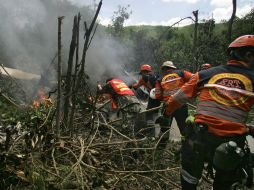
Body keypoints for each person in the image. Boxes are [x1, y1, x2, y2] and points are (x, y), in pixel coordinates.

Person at [163, 35, 254, 189]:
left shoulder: (205, 74)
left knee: (189, 180)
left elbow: (177, 99)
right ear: (248, 55)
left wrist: (166, 113)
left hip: (199, 138)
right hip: (231, 143)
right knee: (224, 184)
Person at [155, 61, 193, 139]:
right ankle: (187, 147)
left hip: (167, 107)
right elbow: (195, 78)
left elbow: (157, 95)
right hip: (181, 105)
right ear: (173, 68)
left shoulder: (160, 79)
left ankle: (160, 148)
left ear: (164, 69)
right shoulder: (182, 73)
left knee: (164, 129)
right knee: (184, 128)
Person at [131, 64, 161, 137]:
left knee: (149, 114)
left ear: (143, 72)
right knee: (155, 114)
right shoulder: (156, 76)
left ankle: (151, 135)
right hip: (160, 98)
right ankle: (158, 132)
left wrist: (131, 86)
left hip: (153, 97)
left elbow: (136, 86)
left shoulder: (143, 78)